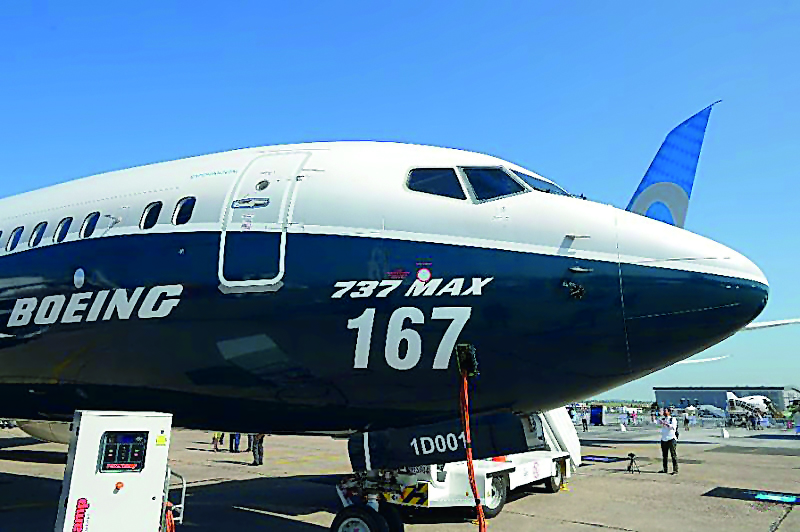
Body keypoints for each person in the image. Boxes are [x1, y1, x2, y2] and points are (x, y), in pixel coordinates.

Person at [658, 408, 678, 475]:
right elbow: (656, 422)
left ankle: (675, 469)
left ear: (669, 412)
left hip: (671, 438)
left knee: (673, 455)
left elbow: (673, 427)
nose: (664, 412)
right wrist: (658, 416)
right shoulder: (663, 419)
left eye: (665, 411)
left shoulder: (672, 419)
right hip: (664, 439)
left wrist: (665, 423)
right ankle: (665, 469)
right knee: (664, 455)